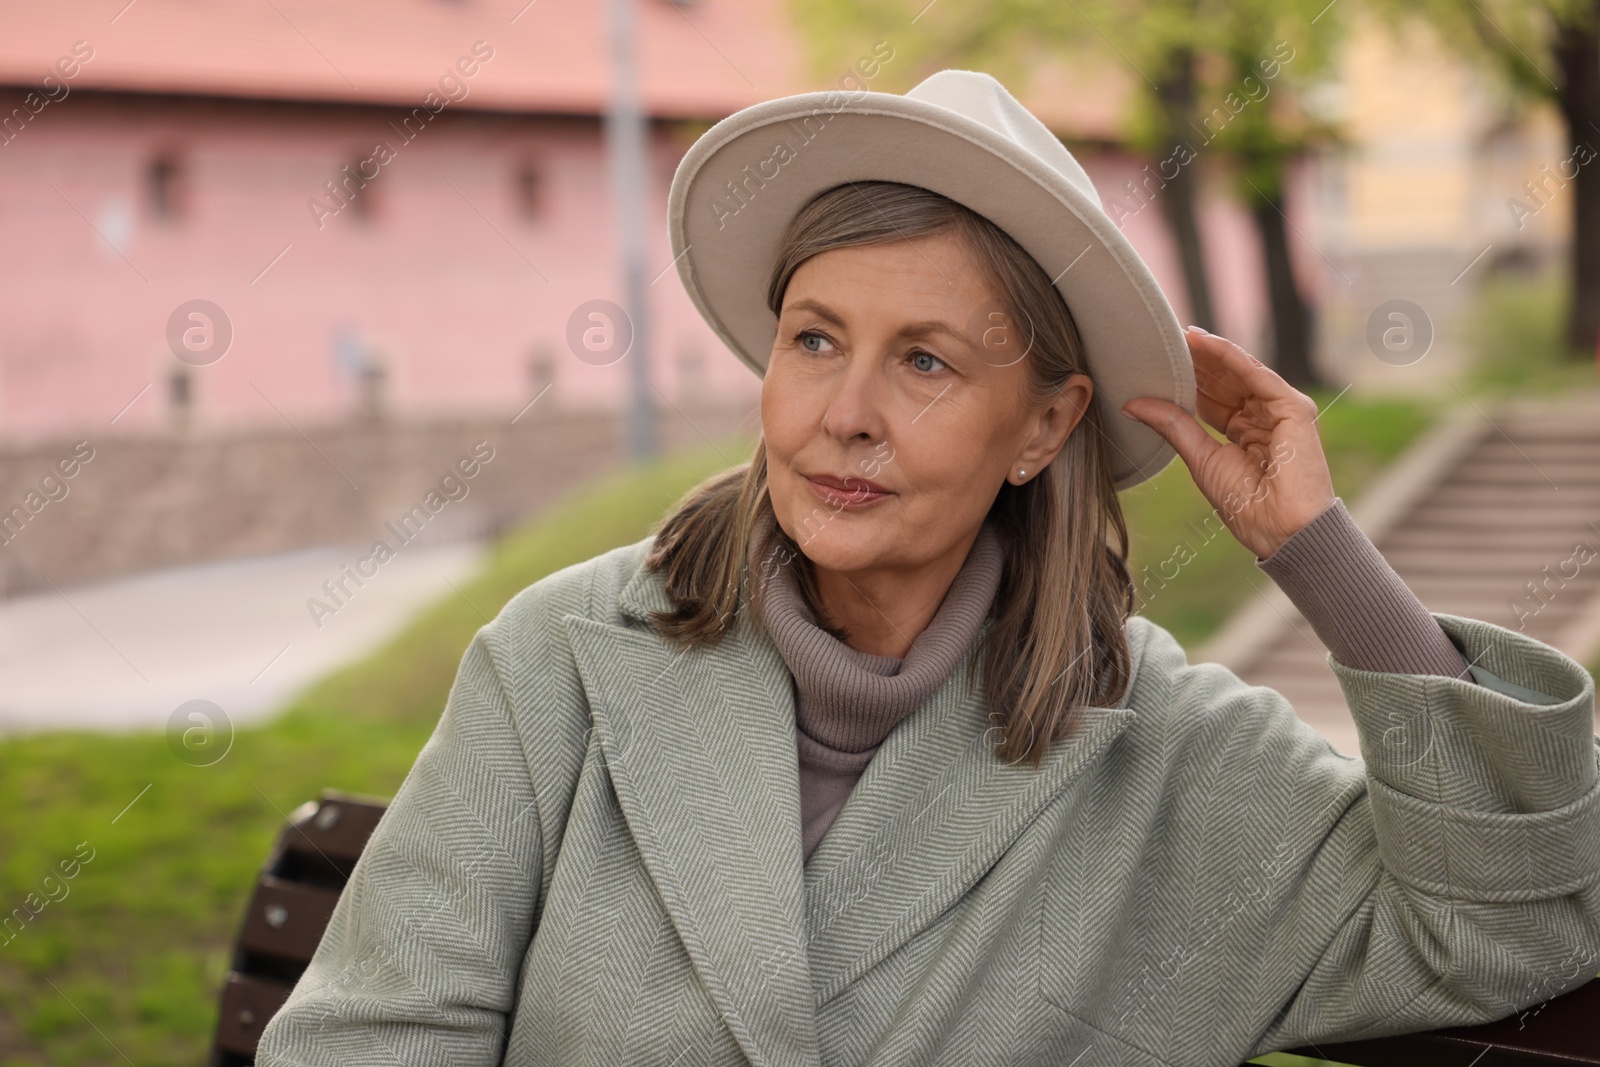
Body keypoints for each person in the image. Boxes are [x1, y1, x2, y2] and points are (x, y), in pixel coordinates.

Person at [257, 70, 1600, 1067]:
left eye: (924, 362)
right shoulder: (562, 656)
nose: (845, 412)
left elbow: (1508, 932)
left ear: (1046, 426)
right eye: (814, 339)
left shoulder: (1165, 754)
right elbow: (367, 1039)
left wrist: (1322, 557)